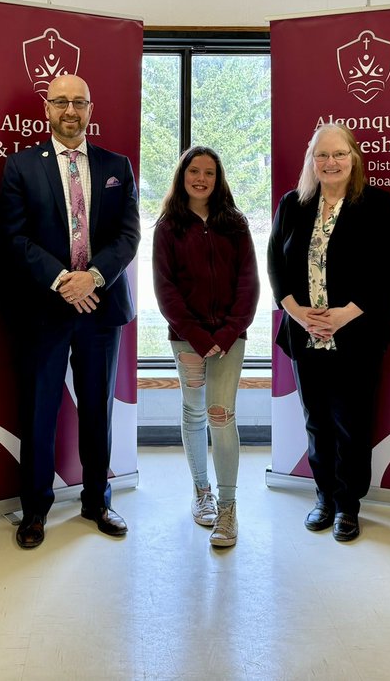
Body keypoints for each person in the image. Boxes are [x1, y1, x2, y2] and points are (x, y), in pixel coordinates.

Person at [0, 74, 140, 549]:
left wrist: (93, 277)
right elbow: (15, 238)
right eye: (61, 102)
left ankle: (97, 500)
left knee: (96, 408)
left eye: (79, 102)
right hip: (45, 308)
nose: (70, 111)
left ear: (91, 108)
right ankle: (35, 508)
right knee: (40, 410)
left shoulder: (116, 165)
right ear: (47, 109)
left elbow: (128, 236)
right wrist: (64, 280)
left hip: (100, 307)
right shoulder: (21, 167)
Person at [267, 123, 390, 543]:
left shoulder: (377, 205)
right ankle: (324, 497)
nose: (330, 162)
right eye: (321, 155)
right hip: (305, 336)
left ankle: (348, 505)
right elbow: (275, 262)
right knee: (317, 422)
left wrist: (345, 315)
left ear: (354, 158)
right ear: (312, 160)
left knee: (352, 423)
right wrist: (294, 311)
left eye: (338, 154)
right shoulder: (294, 204)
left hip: (356, 336)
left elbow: (389, 270)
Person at [152, 146, 259, 547]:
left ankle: (228, 508)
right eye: (193, 171)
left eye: (209, 173)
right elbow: (165, 290)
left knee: (221, 415)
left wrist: (227, 334)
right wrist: (198, 338)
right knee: (194, 412)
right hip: (187, 340)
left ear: (219, 179)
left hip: (230, 339)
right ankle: (202, 493)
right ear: (182, 177)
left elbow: (249, 283)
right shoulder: (168, 227)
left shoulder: (236, 224)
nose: (201, 178)